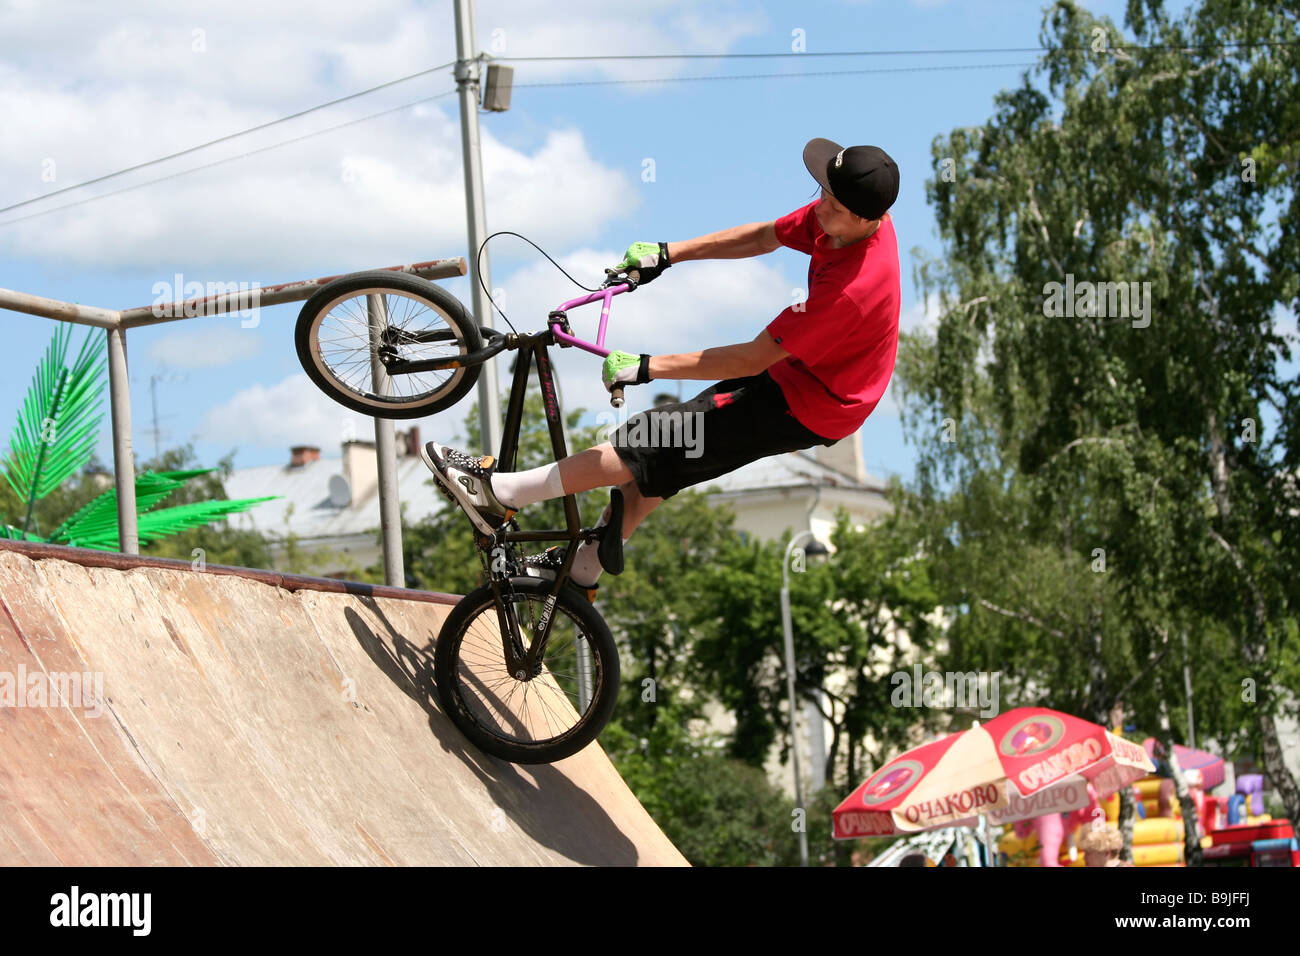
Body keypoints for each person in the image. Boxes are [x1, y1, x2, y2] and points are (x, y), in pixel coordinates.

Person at [422, 138, 901, 593]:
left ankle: (503, 493)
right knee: (671, 460)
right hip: (805, 376)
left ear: (866, 221)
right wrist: (668, 254)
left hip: (812, 402)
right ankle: (582, 568)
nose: (820, 209)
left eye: (834, 209)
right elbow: (763, 236)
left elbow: (754, 356)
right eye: (821, 194)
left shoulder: (852, 292)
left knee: (652, 438)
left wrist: (646, 367)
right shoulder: (840, 209)